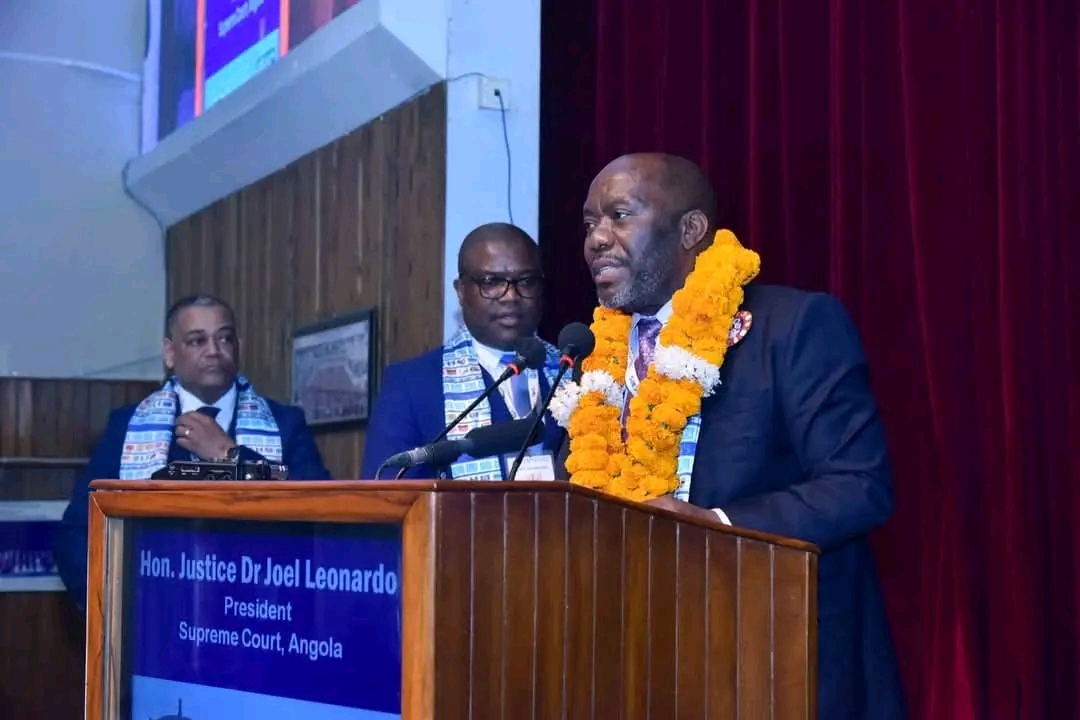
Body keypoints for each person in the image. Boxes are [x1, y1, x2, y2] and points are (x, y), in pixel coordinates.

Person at [554, 153, 907, 719]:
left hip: (772, 654)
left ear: (691, 230)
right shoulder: (592, 357)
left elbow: (859, 486)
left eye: (619, 215)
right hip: (634, 662)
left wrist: (717, 527)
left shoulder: (791, 326)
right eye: (589, 223)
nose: (597, 238)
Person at [54, 294, 331, 609]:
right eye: (197, 341)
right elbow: (77, 532)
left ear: (237, 346)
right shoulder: (129, 427)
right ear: (170, 353)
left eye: (224, 338)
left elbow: (319, 508)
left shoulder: (284, 423)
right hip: (155, 616)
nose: (214, 351)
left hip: (256, 615)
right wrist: (111, 604)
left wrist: (230, 454)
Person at [361, 223, 562, 481]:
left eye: (526, 281)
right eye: (491, 282)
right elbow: (389, 496)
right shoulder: (411, 385)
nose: (511, 296)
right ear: (460, 291)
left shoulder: (574, 371)